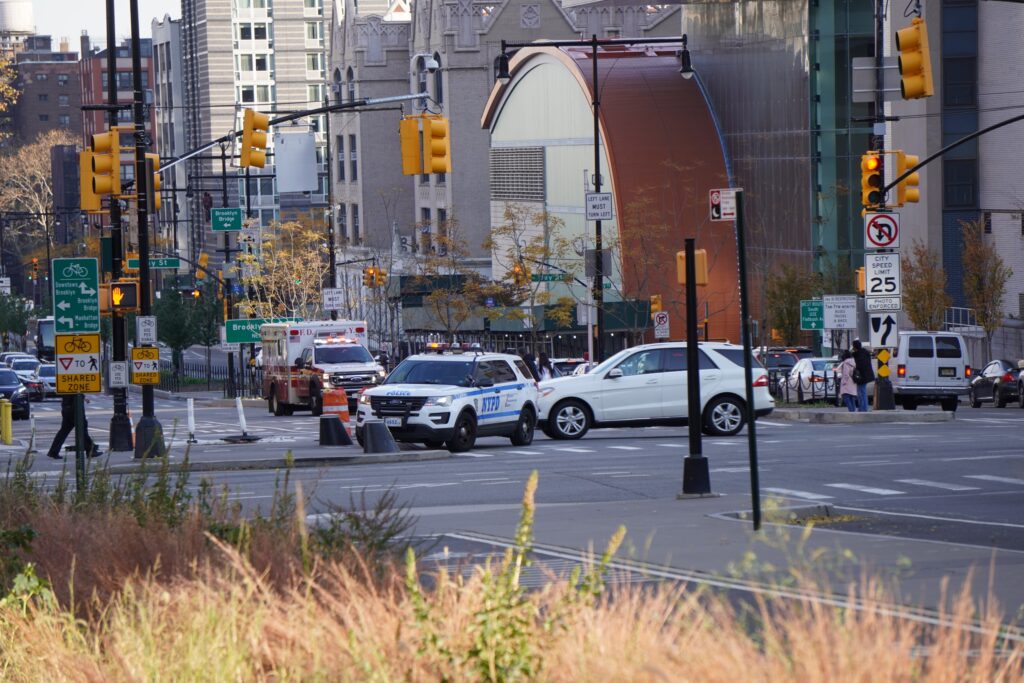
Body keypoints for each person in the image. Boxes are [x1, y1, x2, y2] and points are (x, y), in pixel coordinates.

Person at [46, 395, 99, 460]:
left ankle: (53, 451)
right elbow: (76, 390)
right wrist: (82, 397)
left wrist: (83, 397)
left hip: (66, 407)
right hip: (75, 408)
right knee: (82, 429)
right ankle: (91, 450)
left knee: (63, 432)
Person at [850, 339, 875, 412]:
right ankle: (864, 407)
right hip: (866, 375)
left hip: (861, 376)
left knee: (861, 392)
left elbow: (860, 366)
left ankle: (863, 408)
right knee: (863, 392)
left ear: (855, 347)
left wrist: (855, 368)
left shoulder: (858, 355)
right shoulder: (865, 353)